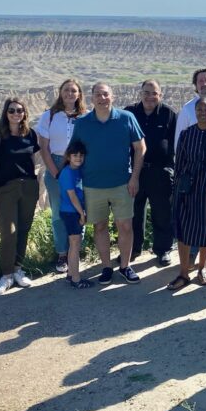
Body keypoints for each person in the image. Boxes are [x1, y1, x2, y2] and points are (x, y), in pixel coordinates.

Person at [70, 82, 146, 285]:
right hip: (93, 185)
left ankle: (125, 266)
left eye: (105, 94)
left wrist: (135, 177)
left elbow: (140, 148)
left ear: (112, 97)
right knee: (100, 226)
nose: (102, 98)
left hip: (123, 183)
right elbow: (73, 152)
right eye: (97, 95)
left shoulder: (126, 118)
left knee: (126, 226)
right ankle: (106, 267)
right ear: (91, 98)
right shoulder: (82, 123)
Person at [168, 98, 206, 291]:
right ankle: (183, 272)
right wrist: (176, 189)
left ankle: (202, 269)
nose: (203, 112)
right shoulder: (186, 134)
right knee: (184, 230)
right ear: (195, 112)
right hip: (187, 189)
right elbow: (179, 163)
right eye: (199, 109)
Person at [0, 97, 40, 296]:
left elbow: (33, 160)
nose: (16, 114)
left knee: (24, 229)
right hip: (5, 189)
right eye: (12, 110)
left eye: (19, 110)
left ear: (25, 113)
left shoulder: (30, 134)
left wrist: (35, 185)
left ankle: (18, 269)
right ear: (5, 114)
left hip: (28, 187)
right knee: (8, 233)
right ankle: (6, 274)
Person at [36, 79, 88, 275]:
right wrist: (56, 172)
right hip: (56, 164)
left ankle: (76, 250)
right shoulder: (49, 116)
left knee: (79, 209)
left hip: (78, 165)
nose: (70, 93)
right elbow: (44, 147)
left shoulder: (85, 116)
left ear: (79, 94)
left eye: (74, 91)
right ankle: (62, 253)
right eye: (66, 90)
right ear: (60, 92)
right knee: (58, 212)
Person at [125, 80, 178, 266]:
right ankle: (133, 249)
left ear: (160, 95)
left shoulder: (169, 114)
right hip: (135, 172)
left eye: (154, 93)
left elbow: (175, 143)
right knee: (134, 212)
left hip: (160, 172)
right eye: (146, 92)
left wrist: (171, 170)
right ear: (140, 93)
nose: (150, 97)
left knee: (162, 212)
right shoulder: (130, 112)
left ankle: (163, 250)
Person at [58, 140, 92, 289]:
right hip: (71, 212)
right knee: (75, 243)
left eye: (81, 155)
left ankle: (71, 274)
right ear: (68, 156)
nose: (78, 158)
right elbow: (72, 196)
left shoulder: (77, 170)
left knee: (75, 244)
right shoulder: (66, 172)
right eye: (75, 155)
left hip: (74, 211)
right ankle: (76, 279)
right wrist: (82, 213)